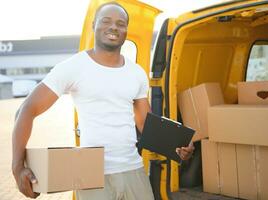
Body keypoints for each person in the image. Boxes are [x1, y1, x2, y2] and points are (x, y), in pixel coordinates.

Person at [12, 2, 194, 199]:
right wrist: (17, 167)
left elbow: (144, 123)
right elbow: (26, 110)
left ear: (126, 30)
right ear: (94, 25)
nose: (114, 27)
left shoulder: (136, 73)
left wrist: (177, 146)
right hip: (91, 175)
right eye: (106, 21)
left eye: (120, 23)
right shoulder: (73, 67)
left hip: (133, 170)